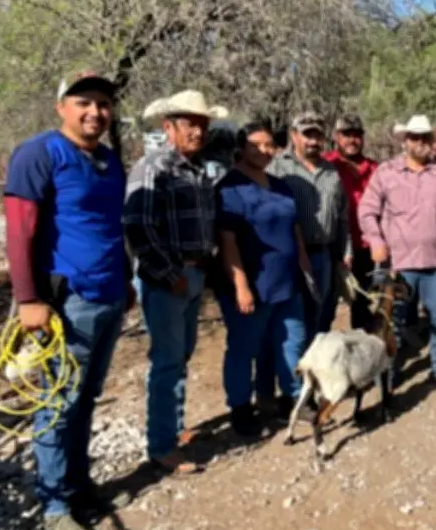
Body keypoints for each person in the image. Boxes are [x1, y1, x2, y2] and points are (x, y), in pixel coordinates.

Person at [5, 71, 132, 530]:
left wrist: (125, 279)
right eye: (84, 102)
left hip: (109, 296)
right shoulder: (39, 154)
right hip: (65, 302)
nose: (95, 111)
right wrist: (28, 299)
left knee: (85, 399)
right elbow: (19, 230)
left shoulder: (108, 161)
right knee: (58, 404)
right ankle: (56, 505)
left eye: (103, 104)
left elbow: (110, 225)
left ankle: (79, 487)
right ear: (62, 107)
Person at [124, 90, 220, 475]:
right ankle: (161, 445)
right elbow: (138, 228)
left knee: (180, 356)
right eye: (189, 123)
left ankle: (173, 429)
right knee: (166, 361)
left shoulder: (198, 171)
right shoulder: (153, 168)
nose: (197, 131)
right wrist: (170, 274)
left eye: (202, 124)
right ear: (169, 127)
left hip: (194, 274)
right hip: (169, 278)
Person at [358, 114, 436, 392]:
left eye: (426, 137)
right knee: (393, 321)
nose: (421, 142)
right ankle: (389, 372)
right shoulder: (386, 172)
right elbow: (367, 210)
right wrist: (375, 240)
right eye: (415, 137)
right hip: (399, 262)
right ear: (405, 141)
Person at [214, 120, 314, 434]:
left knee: (292, 342)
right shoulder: (230, 188)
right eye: (256, 145)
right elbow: (227, 240)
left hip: (287, 282)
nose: (264, 150)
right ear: (241, 148)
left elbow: (294, 229)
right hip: (253, 285)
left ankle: (293, 398)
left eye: (269, 145)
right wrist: (241, 286)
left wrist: (305, 265)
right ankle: (241, 408)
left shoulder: (280, 185)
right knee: (244, 348)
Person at [267, 112, 350, 339]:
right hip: (289, 257)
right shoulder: (277, 168)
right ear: (294, 136)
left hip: (323, 254)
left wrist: (346, 251)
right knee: (290, 319)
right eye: (307, 135)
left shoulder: (331, 171)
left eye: (318, 135)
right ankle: (291, 370)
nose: (313, 141)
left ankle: (314, 366)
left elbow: (342, 213)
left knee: (320, 316)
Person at [323, 114, 379, 329]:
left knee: (362, 302)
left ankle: (359, 351)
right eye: (347, 135)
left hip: (364, 246)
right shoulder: (327, 165)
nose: (352, 140)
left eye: (356, 135)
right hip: (333, 245)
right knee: (326, 305)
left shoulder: (375, 169)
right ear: (337, 137)